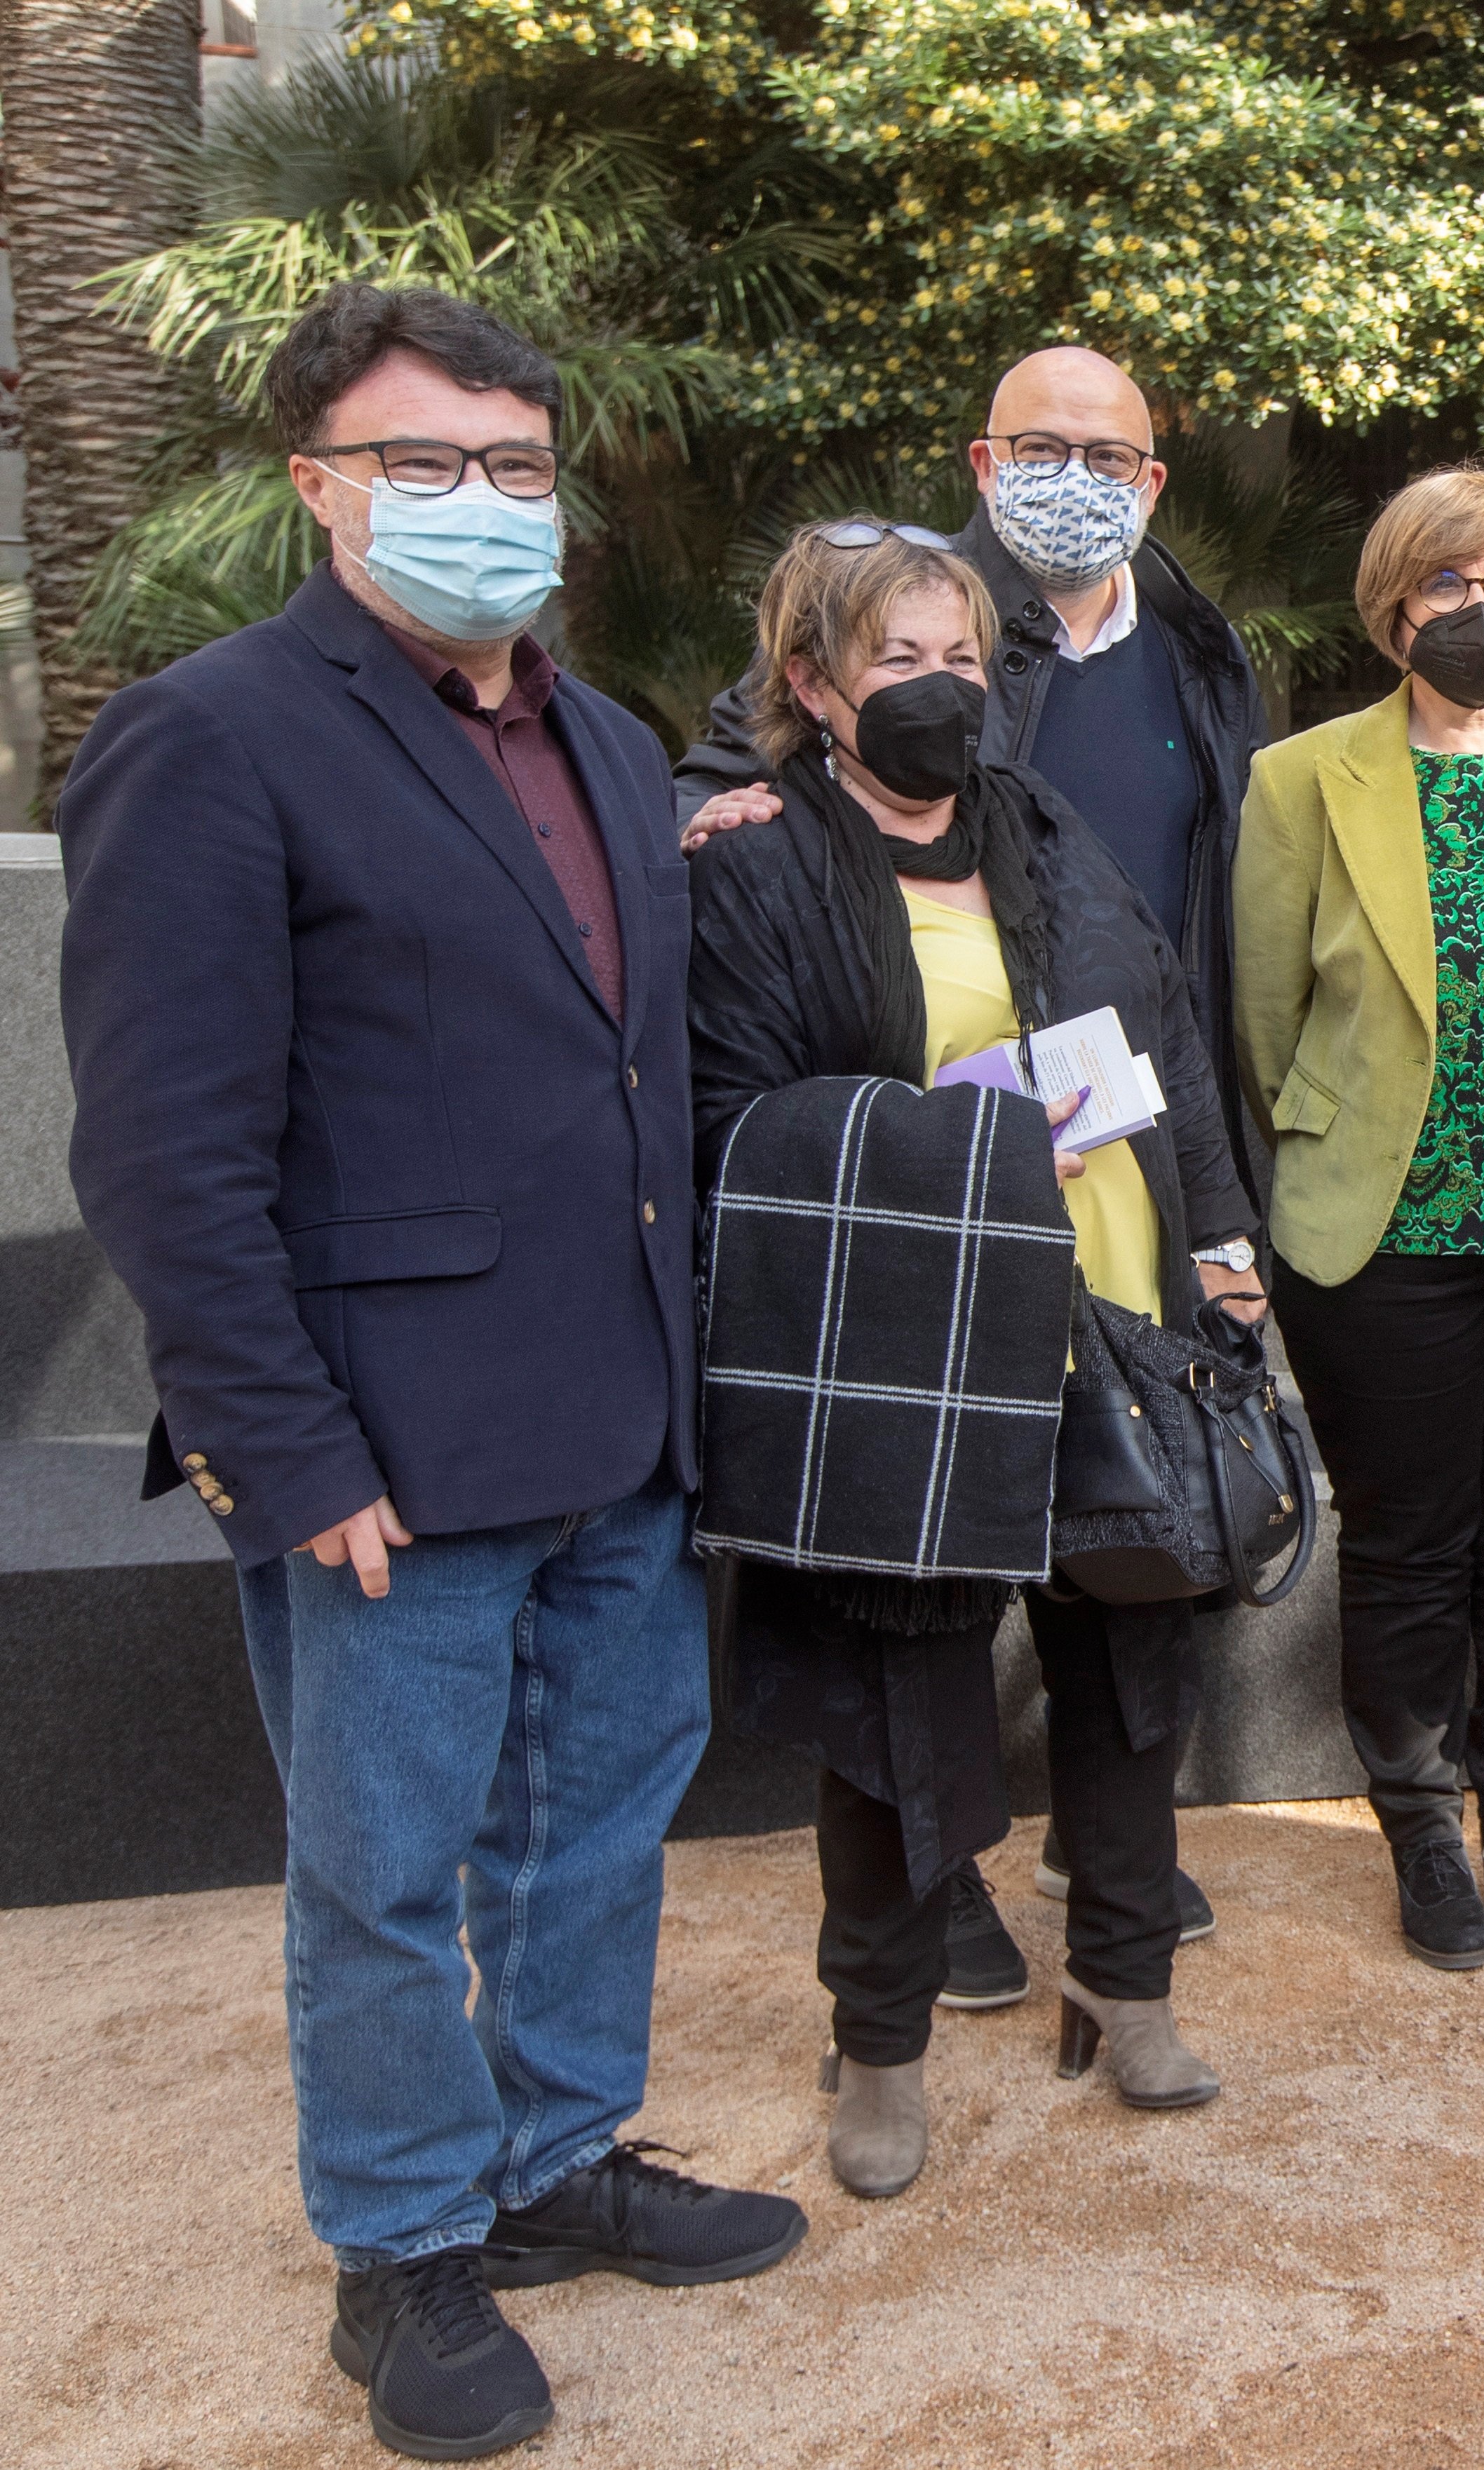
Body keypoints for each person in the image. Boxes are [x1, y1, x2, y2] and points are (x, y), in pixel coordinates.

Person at [56, 281, 802, 2462]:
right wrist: (280, 1447)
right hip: (382, 1444)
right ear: (315, 485)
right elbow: (164, 1146)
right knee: (383, 1875)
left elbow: (591, 1035)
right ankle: (402, 2255)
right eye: (421, 465)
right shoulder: (207, 735)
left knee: (595, 1833)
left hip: (621, 1415)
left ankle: (562, 2161)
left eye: (513, 465)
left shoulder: (602, 738)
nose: (478, 502)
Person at [685, 521, 1269, 2195]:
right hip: (909, 1356)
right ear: (808, 683)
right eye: (898, 663)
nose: (941, 693)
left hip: (1113, 1324)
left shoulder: (1045, 828)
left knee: (1129, 1672)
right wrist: (945, 1136)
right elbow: (733, 1121)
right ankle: (880, 2046)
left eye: (961, 660)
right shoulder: (751, 864)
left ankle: (1123, 1981)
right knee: (892, 1700)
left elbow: (1162, 1042)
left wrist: (1222, 1253)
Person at [1233, 466, 1484, 1968]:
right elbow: (1262, 1017)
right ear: (1394, 605)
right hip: (1381, 1232)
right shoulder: (1303, 780)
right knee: (1408, 1544)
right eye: (1450, 585)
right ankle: (1418, 1823)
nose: (1483, 611)